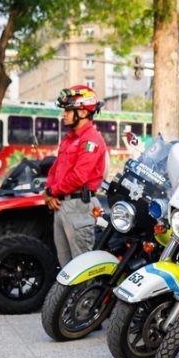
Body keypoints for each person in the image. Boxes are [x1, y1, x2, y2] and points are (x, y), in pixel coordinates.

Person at [44, 85, 107, 267]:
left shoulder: (91, 140)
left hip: (79, 206)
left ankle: (85, 297)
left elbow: (79, 176)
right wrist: (50, 193)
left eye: (68, 110)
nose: (64, 114)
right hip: (61, 205)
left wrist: (52, 191)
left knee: (81, 267)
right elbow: (55, 169)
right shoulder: (70, 138)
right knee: (66, 268)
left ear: (83, 111)